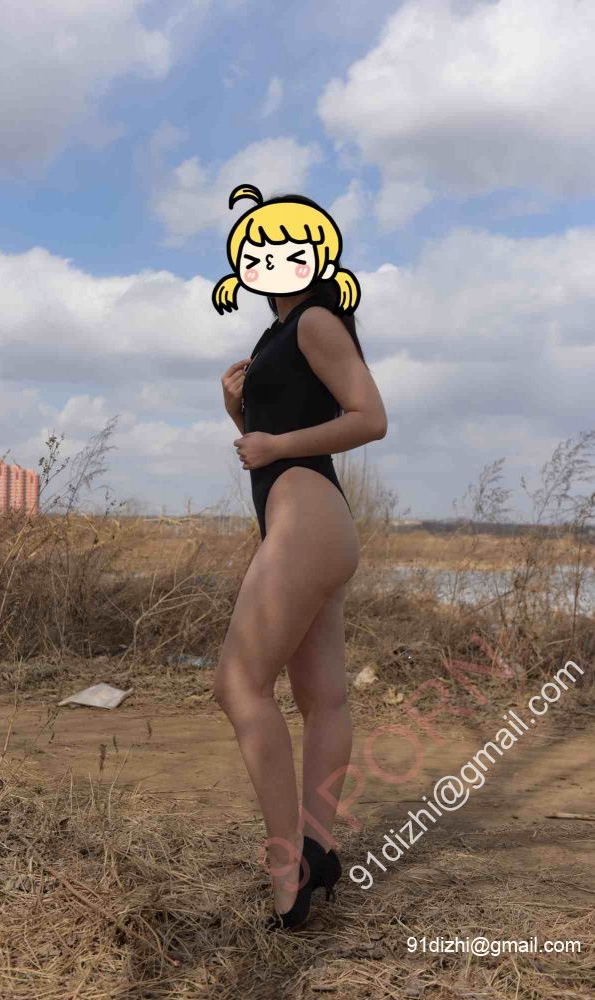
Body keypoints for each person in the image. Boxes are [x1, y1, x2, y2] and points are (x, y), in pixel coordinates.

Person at [213, 185, 388, 930]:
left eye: (287, 246)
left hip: (307, 516)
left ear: (319, 254)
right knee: (322, 697)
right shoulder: (273, 336)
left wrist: (275, 443)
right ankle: (320, 849)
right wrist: (237, 407)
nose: (269, 258)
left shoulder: (316, 320)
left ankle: (286, 868)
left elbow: (370, 418)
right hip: (311, 521)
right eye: (256, 247)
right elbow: (274, 431)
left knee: (237, 683)